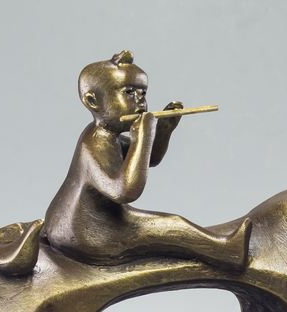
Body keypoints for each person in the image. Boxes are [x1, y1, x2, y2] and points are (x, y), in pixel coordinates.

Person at [42, 51, 251, 270]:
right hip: (85, 232)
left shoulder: (109, 138)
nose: (140, 100)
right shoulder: (94, 145)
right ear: (93, 101)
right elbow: (126, 191)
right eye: (128, 92)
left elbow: (150, 159)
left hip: (80, 223)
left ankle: (222, 248)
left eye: (143, 93)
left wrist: (164, 131)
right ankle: (228, 252)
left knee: (170, 225)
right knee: (172, 226)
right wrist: (143, 138)